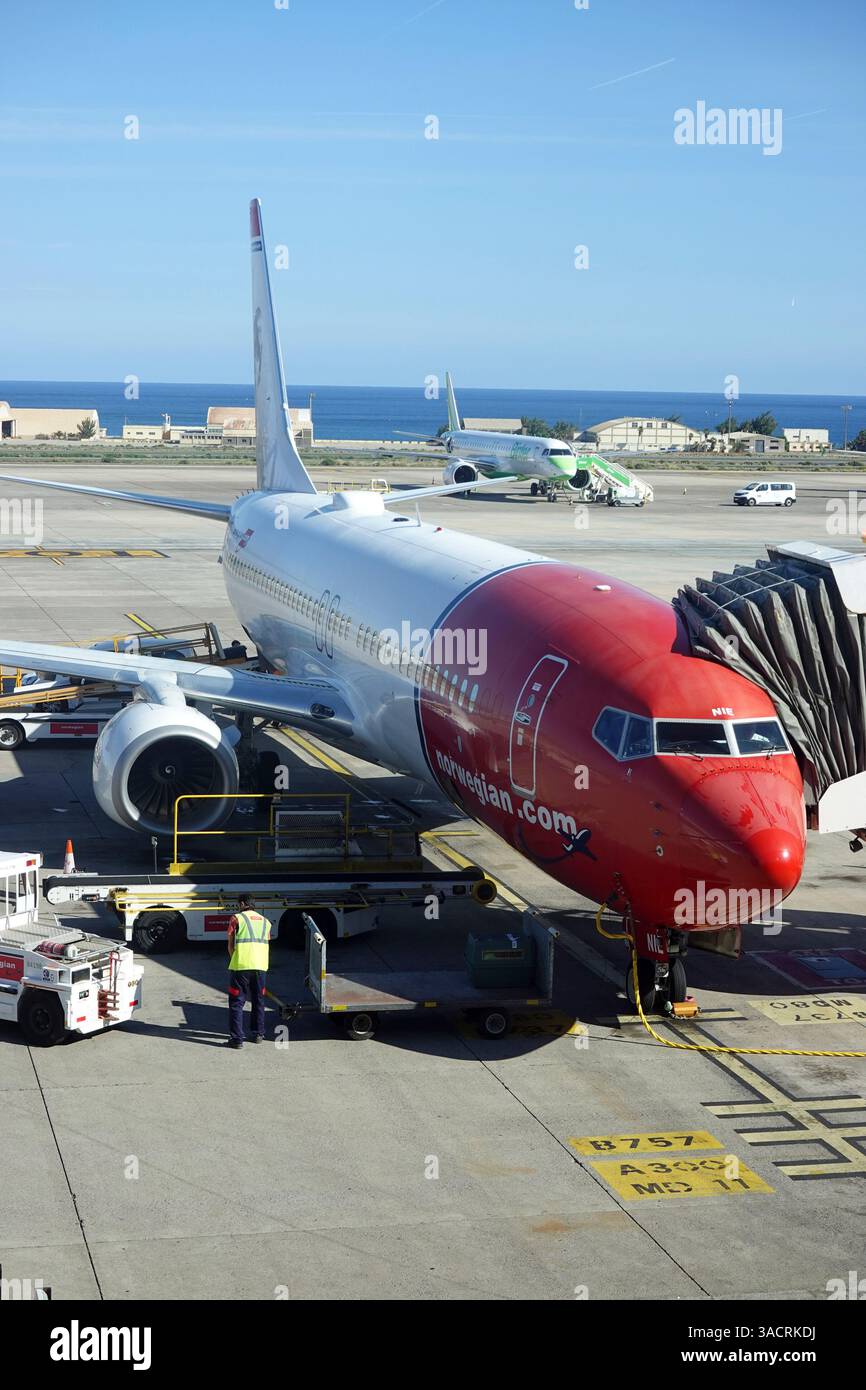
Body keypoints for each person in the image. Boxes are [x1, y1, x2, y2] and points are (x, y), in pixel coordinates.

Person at [225, 893, 272, 1049]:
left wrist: (235, 959)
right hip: (260, 967)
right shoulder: (266, 922)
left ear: (242, 904)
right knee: (259, 1001)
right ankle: (258, 1034)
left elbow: (230, 944)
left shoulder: (236, 918)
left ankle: (237, 1039)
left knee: (237, 1003)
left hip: (241, 967)